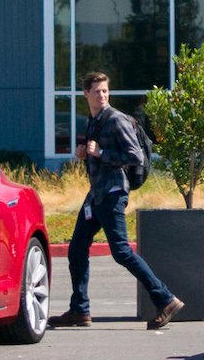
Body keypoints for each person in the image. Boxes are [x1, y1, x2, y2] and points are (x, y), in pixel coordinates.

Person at [59, 71, 181, 331]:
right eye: (97, 91)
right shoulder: (93, 121)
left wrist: (100, 152)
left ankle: (165, 299)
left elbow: (134, 156)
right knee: (77, 248)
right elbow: (98, 154)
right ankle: (80, 310)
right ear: (86, 94)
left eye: (105, 91)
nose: (102, 95)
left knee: (122, 252)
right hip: (97, 195)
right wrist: (85, 154)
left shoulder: (116, 119)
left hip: (113, 193)